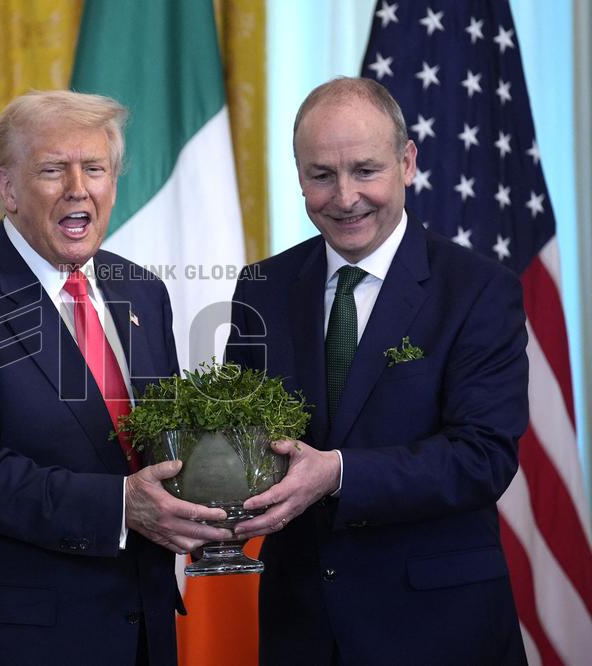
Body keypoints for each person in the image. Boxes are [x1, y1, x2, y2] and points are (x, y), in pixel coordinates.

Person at [0, 90, 230, 665]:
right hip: (16, 637)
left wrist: (217, 487)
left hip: (140, 629)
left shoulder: (141, 290)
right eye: (54, 170)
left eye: (95, 168)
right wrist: (117, 507)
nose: (79, 188)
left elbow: (159, 443)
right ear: (7, 188)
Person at [226, 77, 528, 666]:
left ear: (407, 162)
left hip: (439, 630)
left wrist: (336, 474)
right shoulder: (261, 288)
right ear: (299, 178)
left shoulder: (479, 290)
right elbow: (246, 444)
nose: (344, 197)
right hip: (302, 630)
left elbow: (483, 457)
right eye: (321, 175)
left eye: (365, 170)